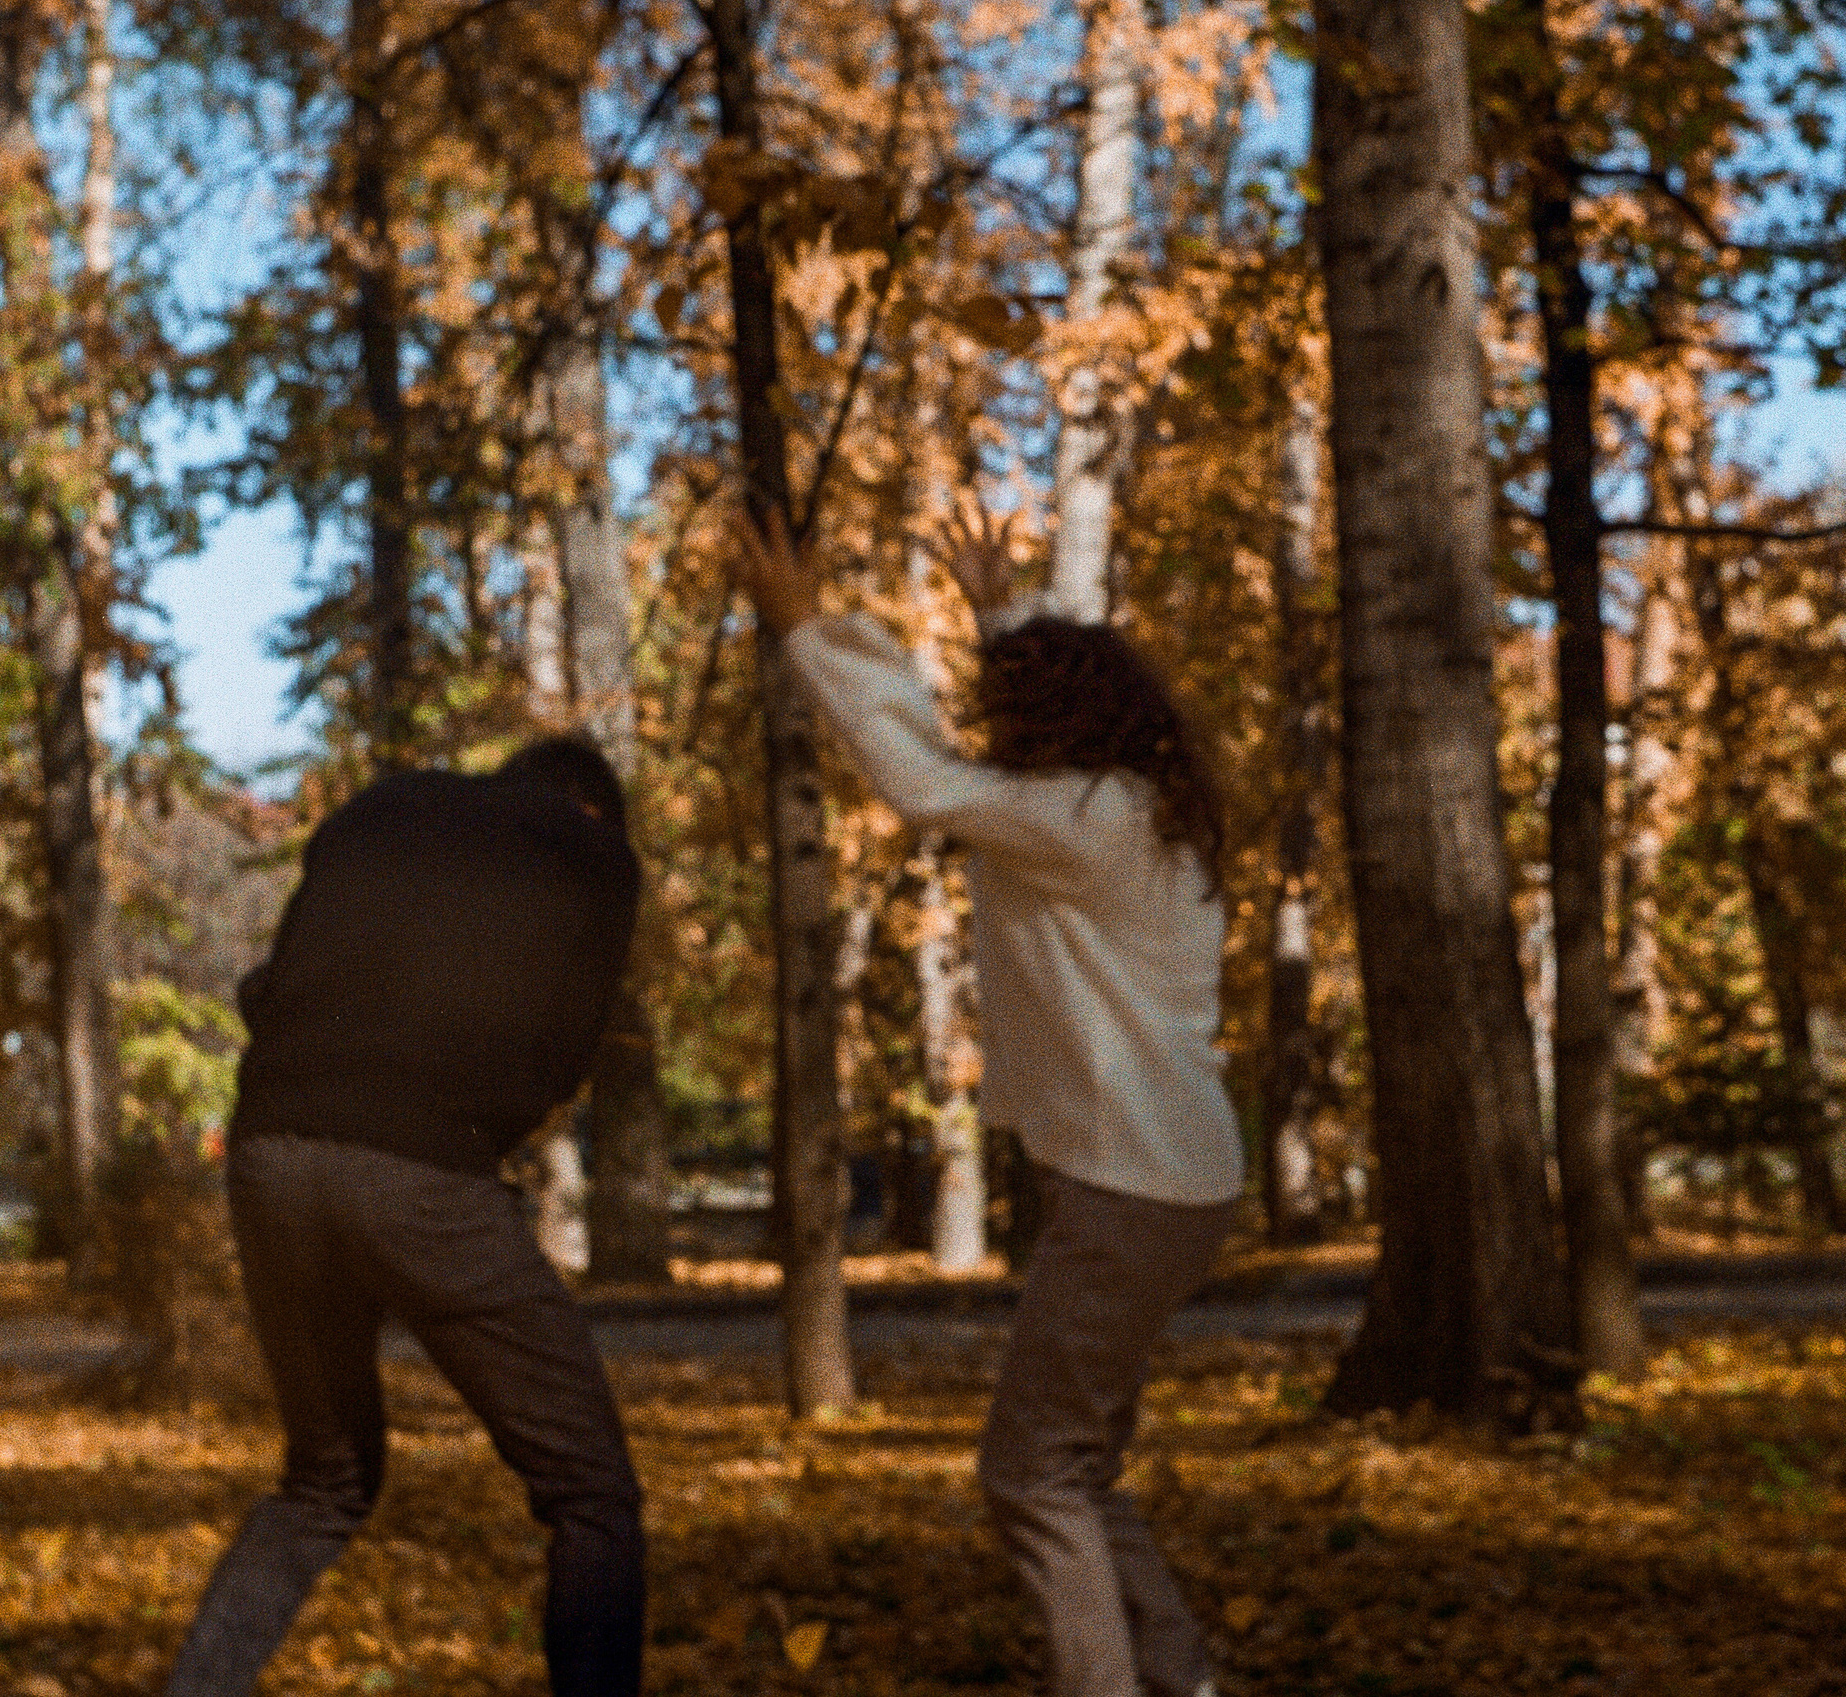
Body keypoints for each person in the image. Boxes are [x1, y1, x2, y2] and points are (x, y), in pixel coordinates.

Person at [741, 504, 1240, 1697]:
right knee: (1080, 1463)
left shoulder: (1081, 817)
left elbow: (920, 781)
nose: (992, 728)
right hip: (1168, 1177)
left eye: (1012, 706)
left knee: (1030, 1472)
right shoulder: (1133, 807)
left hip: (1135, 1182)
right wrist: (999, 607)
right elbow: (963, 760)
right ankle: (1181, 1677)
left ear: (1057, 721)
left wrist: (806, 630)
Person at [164, 735, 648, 1697]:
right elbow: (565, 1057)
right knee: (592, 1495)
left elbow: (266, 987)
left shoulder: (384, 812)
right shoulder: (591, 857)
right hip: (423, 1174)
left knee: (324, 1482)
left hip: (271, 1155)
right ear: (590, 809)